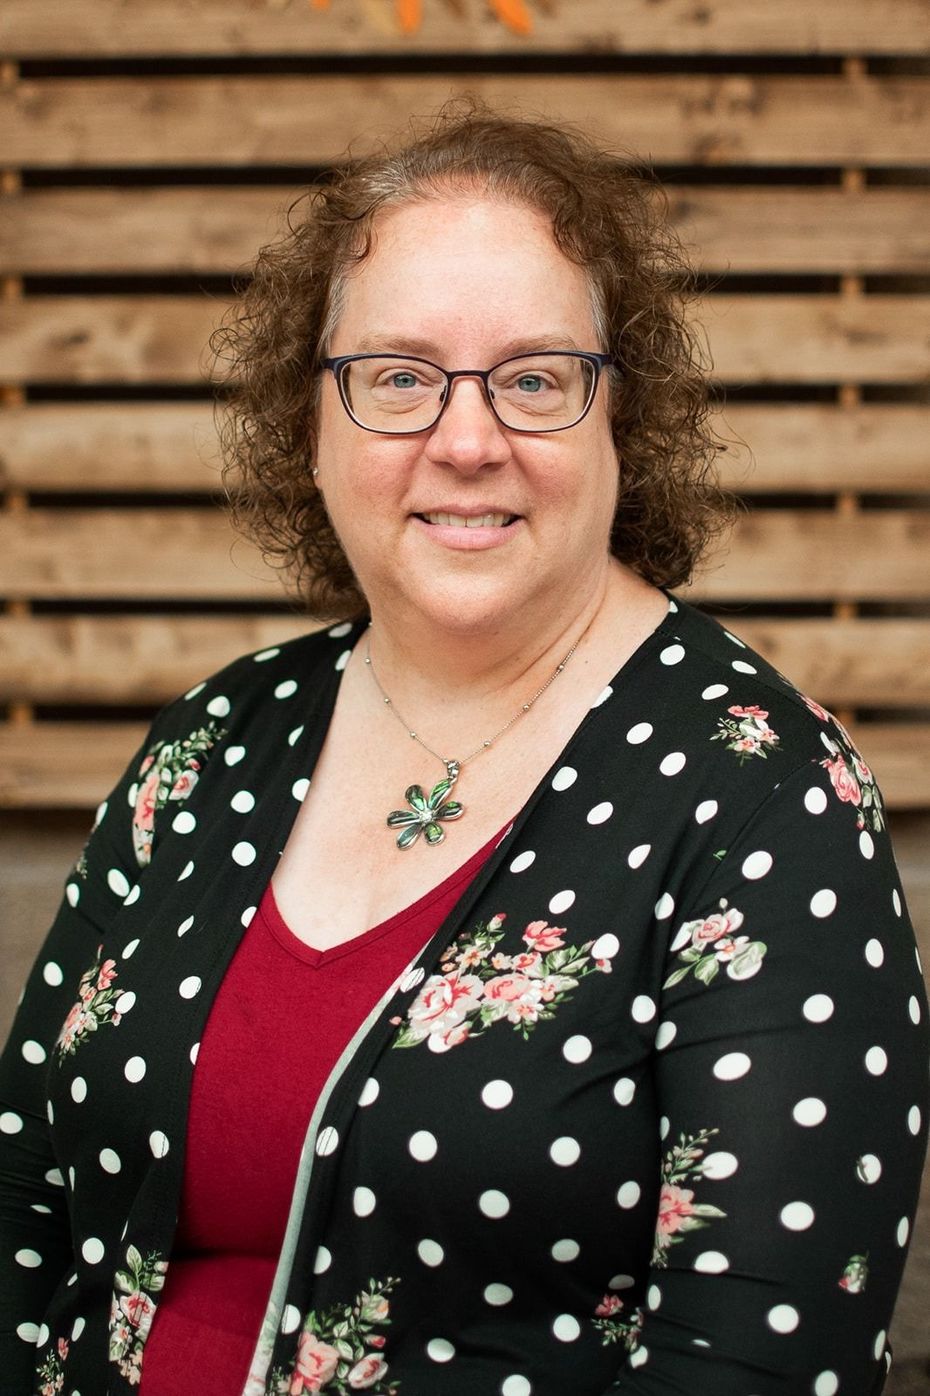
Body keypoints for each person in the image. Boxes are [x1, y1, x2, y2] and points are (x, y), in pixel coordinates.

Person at [1, 104, 927, 1396]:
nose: (467, 438)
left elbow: (754, 1365)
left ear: (620, 416)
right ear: (311, 424)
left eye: (534, 379)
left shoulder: (762, 794)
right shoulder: (210, 747)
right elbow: (24, 1210)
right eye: (398, 378)